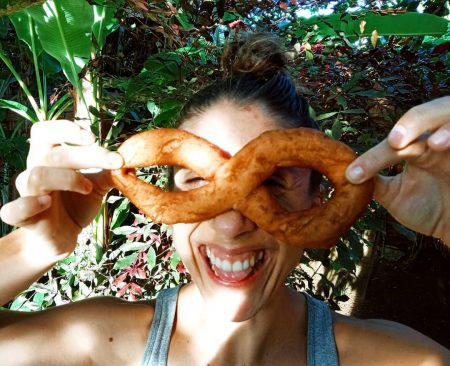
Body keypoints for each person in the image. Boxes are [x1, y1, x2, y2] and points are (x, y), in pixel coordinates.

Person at [0, 33, 449, 365]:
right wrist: (32, 248)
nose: (232, 224)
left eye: (274, 183)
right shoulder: (96, 345)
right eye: (197, 181)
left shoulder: (400, 360)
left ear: (318, 198)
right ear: (169, 201)